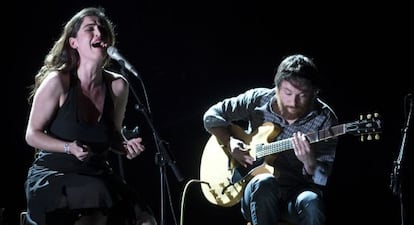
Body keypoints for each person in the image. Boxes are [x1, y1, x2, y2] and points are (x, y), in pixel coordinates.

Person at [24, 7, 157, 225]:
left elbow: (112, 135)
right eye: (90, 29)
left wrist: (124, 147)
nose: (99, 32)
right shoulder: (58, 82)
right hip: (53, 175)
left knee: (145, 218)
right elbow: (32, 135)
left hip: (96, 173)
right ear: (73, 42)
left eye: (102, 28)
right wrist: (68, 147)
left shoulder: (117, 86)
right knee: (98, 203)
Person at [203, 54, 338, 225]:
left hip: (296, 192)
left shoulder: (325, 119)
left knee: (312, 202)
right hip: (255, 191)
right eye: (287, 93)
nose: (293, 103)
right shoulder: (258, 99)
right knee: (265, 181)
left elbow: (323, 178)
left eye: (302, 95)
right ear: (277, 87)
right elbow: (211, 115)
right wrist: (230, 142)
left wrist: (311, 164)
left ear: (314, 93)